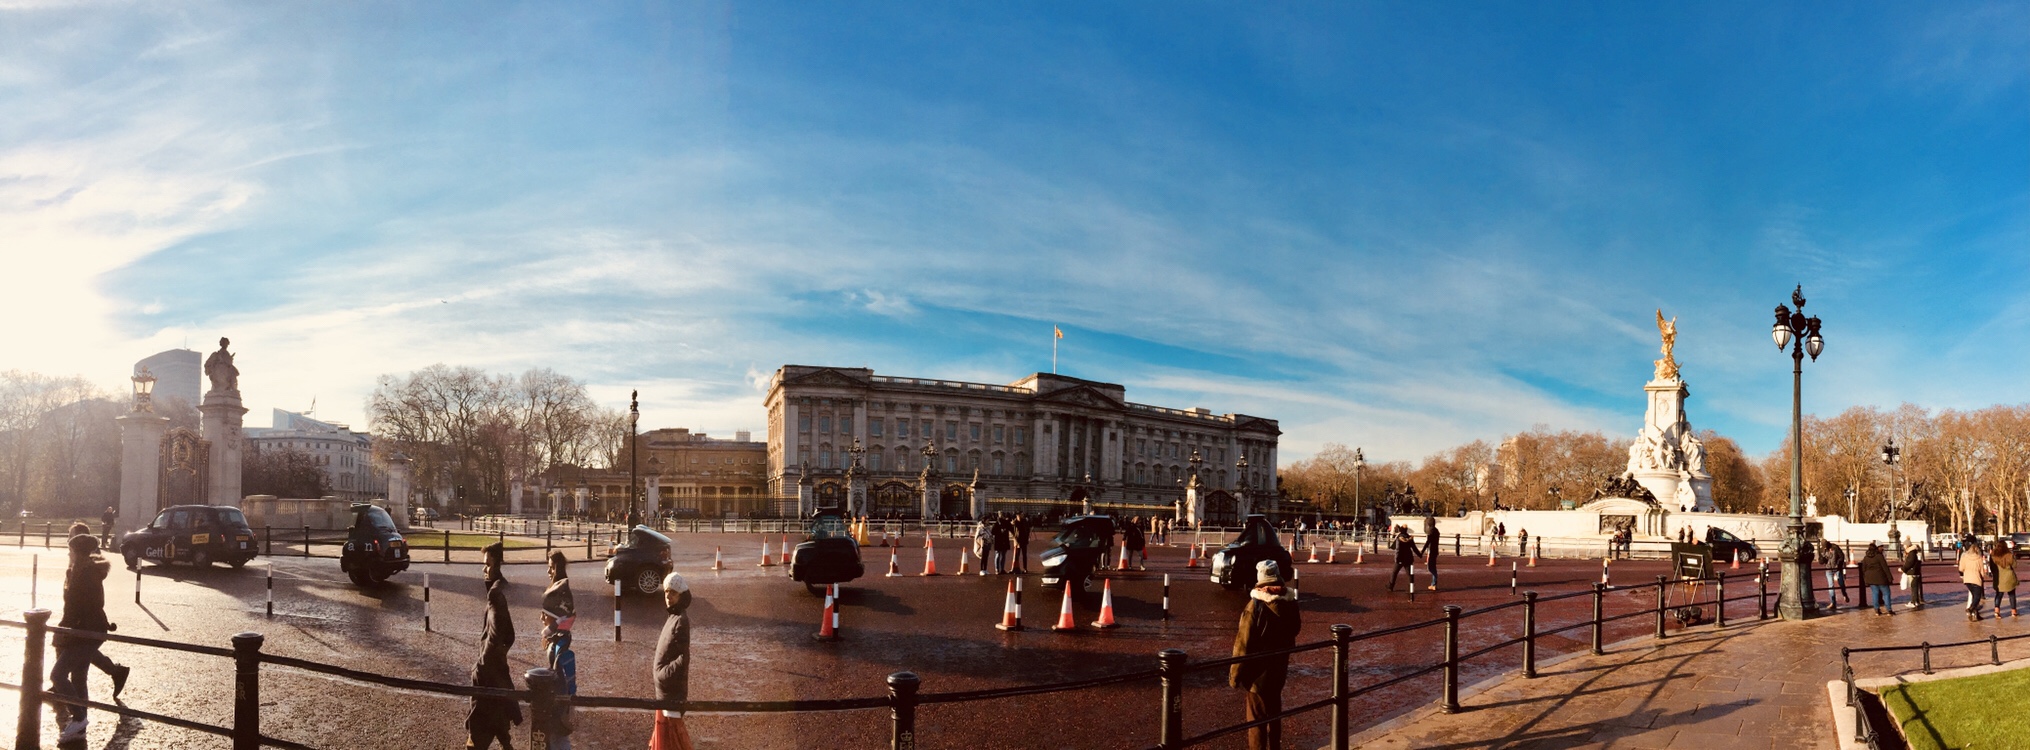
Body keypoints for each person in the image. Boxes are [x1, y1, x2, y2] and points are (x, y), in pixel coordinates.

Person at [1230, 560, 1301, 750]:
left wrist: (1234, 676)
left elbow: (1242, 645)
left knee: (1256, 722)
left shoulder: (1254, 606)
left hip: (1257, 674)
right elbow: (1295, 629)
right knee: (1274, 714)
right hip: (1279, 669)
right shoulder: (1290, 602)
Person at [51, 533, 112, 742]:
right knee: (78, 677)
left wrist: (66, 628)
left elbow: (85, 606)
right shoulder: (76, 571)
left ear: (77, 553)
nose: (68, 554)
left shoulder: (88, 574)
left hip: (86, 632)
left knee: (58, 675)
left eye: (70, 551)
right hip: (81, 631)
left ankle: (78, 718)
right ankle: (79, 727)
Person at [467, 543, 522, 749]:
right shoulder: (498, 590)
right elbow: (509, 635)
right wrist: (501, 655)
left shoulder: (495, 595)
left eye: (488, 564)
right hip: (496, 673)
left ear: (497, 564)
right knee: (499, 727)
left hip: (488, 676)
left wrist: (482, 664)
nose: (484, 569)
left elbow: (498, 635)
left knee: (477, 735)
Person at [651, 572, 693, 750]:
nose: (668, 596)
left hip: (670, 693)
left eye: (673, 593)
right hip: (665, 691)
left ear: (681, 595)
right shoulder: (673, 616)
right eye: (666, 591)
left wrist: (662, 676)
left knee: (673, 742)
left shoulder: (681, 621)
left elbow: (683, 659)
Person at [1958, 542, 1991, 621]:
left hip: (1967, 579)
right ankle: (1971, 608)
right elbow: (1981, 570)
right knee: (1977, 597)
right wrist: (1983, 576)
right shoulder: (1979, 558)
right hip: (1976, 579)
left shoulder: (1964, 557)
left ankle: (1976, 614)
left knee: (1973, 596)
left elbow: (1961, 568)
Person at [1859, 543, 1893, 616]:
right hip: (1881, 578)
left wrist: (1866, 578)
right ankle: (1889, 610)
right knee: (1886, 593)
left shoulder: (1866, 558)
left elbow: (1863, 569)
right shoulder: (1879, 556)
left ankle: (1877, 610)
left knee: (1875, 593)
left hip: (1871, 578)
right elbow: (1885, 568)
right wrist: (1890, 577)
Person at [1993, 541, 2019, 618]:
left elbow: (1992, 567)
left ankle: (1997, 611)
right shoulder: (2009, 555)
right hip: (2009, 576)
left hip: (1998, 577)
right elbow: (2014, 565)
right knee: (2012, 594)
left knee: (1998, 594)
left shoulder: (1993, 556)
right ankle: (2013, 611)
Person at [1821, 542, 1849, 612]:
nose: (1825, 548)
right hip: (1828, 569)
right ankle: (1833, 602)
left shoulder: (1835, 547)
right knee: (1831, 586)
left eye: (1826, 547)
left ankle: (1844, 594)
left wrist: (1838, 564)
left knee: (1841, 583)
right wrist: (1822, 559)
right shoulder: (1823, 550)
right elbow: (1821, 561)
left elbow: (1841, 556)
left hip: (1837, 568)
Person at [1901, 542, 1926, 610]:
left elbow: (1909, 563)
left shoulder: (1911, 553)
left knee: (1914, 587)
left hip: (1913, 572)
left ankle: (1914, 602)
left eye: (1904, 545)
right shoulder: (1913, 552)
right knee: (1914, 587)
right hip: (1915, 572)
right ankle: (1916, 601)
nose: (1903, 546)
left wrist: (1903, 569)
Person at [1422, 521, 1442, 592]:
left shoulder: (1431, 531)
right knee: (1433, 567)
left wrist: (1422, 551)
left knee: (1431, 568)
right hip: (1435, 550)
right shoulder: (1436, 531)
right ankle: (1433, 584)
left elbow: (1428, 542)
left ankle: (1434, 583)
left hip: (1432, 550)